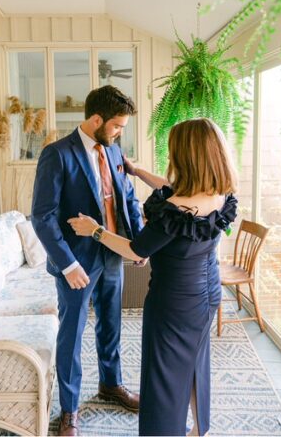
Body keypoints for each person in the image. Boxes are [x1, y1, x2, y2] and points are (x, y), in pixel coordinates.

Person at [69, 117, 238, 437]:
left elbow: (136, 250)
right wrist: (137, 171)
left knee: (162, 380)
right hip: (208, 295)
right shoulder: (220, 195)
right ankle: (197, 429)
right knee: (193, 367)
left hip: (173, 304)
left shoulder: (175, 210)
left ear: (185, 157)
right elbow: (173, 189)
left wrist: (95, 230)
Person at [31, 85, 143, 437]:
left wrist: (137, 242)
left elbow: (128, 197)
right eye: (117, 126)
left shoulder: (114, 150)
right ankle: (69, 409)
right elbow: (42, 217)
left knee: (111, 325)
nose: (120, 132)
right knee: (72, 333)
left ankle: (111, 384)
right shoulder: (56, 154)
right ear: (97, 119)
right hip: (76, 263)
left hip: (112, 253)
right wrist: (67, 264)